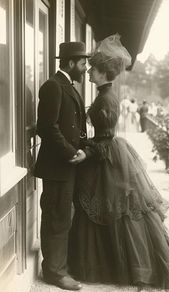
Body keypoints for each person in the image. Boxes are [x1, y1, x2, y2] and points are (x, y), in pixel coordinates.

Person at [68, 34, 169, 291]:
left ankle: (133, 268)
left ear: (104, 73)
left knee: (119, 212)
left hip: (106, 156)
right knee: (114, 212)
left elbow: (104, 140)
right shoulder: (107, 95)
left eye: (93, 69)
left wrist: (86, 152)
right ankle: (113, 265)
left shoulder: (106, 99)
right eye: (89, 68)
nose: (90, 73)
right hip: (107, 154)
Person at [34, 41, 91, 290]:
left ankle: (59, 267)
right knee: (56, 217)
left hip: (67, 164)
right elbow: (47, 127)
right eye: (82, 62)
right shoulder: (53, 86)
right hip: (57, 166)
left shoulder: (67, 86)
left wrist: (83, 149)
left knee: (63, 216)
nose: (85, 68)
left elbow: (73, 126)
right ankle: (54, 272)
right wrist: (71, 153)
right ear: (70, 63)